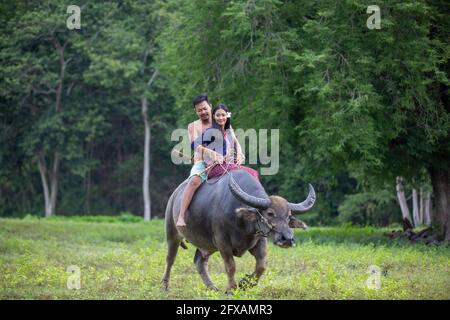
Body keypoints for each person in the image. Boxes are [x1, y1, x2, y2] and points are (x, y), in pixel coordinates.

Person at [176, 94, 223, 228]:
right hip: (202, 163)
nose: (202, 112)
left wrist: (239, 153)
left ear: (210, 106)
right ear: (196, 112)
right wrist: (211, 153)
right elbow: (195, 146)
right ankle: (181, 216)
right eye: (199, 110)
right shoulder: (193, 126)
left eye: (204, 108)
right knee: (194, 181)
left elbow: (232, 138)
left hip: (222, 162)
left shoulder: (220, 119)